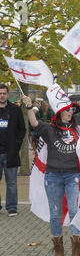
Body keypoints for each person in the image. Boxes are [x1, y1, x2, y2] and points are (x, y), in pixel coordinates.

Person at [22, 91, 80, 256]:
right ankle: (58, 250)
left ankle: (76, 252)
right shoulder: (49, 128)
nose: (70, 112)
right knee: (55, 214)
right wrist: (29, 107)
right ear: (59, 112)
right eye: (67, 109)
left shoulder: (78, 130)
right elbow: (33, 122)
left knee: (74, 211)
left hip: (73, 175)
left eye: (72, 109)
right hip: (53, 176)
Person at [0, 84, 26, 217]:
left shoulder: (15, 110)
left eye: (4, 93)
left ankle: (11, 207)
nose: (2, 95)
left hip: (11, 152)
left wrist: (16, 145)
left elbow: (22, 129)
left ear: (8, 95)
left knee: (11, 182)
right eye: (0, 93)